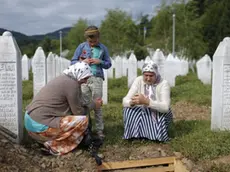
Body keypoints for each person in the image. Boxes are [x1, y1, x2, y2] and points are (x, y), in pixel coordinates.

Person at [24, 61, 103, 155]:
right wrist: (94, 105)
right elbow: (78, 111)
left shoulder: (64, 78)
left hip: (30, 122)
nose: (86, 81)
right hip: (40, 127)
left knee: (76, 120)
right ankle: (55, 147)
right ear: (79, 74)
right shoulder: (72, 85)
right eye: (85, 78)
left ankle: (45, 141)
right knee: (82, 121)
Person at [70, 25, 112, 139]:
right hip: (84, 79)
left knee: (97, 104)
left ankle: (99, 130)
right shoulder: (81, 47)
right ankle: (86, 129)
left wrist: (100, 61)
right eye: (90, 41)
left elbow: (108, 64)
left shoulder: (103, 48)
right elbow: (72, 61)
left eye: (94, 41)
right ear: (86, 39)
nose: (92, 43)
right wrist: (82, 62)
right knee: (85, 105)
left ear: (99, 37)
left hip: (97, 78)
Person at [122, 61, 173, 142]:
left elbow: (165, 107)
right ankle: (135, 136)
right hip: (143, 109)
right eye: (146, 75)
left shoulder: (163, 84)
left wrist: (147, 102)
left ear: (156, 74)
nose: (148, 78)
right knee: (128, 109)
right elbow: (125, 101)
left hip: (158, 111)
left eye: (151, 76)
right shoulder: (138, 80)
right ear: (143, 74)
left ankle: (157, 136)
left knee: (161, 114)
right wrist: (132, 102)